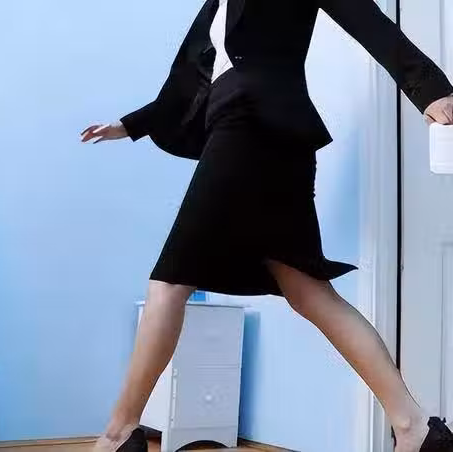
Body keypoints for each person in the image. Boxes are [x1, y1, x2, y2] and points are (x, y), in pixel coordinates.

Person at [81, 0, 453, 450]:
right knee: (307, 290)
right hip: (257, 132)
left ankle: (119, 432)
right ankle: (414, 427)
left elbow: (365, 19)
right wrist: (130, 125)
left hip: (252, 128)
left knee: (171, 280)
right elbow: (196, 78)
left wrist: (430, 89)